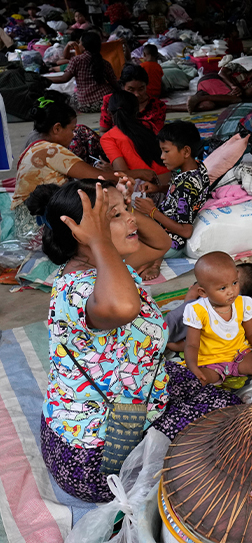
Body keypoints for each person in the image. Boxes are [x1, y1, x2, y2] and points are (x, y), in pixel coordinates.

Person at [32, 179, 238, 503]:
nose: (130, 218)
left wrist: (123, 207)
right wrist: (101, 240)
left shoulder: (104, 265)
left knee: (200, 385)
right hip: (98, 461)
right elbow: (125, 308)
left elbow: (160, 244)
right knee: (229, 420)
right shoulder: (79, 290)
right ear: (83, 236)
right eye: (114, 216)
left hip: (123, 406)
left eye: (126, 209)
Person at [12, 97, 119, 247]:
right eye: (72, 129)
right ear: (56, 128)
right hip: (39, 227)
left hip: (25, 224)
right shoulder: (52, 150)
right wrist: (137, 174)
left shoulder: (35, 142)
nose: (74, 135)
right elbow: (98, 177)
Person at [183, 252, 252, 386]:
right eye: (223, 288)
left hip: (240, 355)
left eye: (235, 283)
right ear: (203, 292)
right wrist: (193, 368)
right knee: (196, 381)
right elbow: (191, 345)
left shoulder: (243, 303)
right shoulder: (196, 310)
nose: (231, 291)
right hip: (210, 361)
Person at [134, 121, 209, 266]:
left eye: (166, 151)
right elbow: (180, 193)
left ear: (186, 152)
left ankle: (154, 261)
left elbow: (186, 231)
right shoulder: (197, 167)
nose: (162, 156)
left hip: (170, 242)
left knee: (125, 247)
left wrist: (152, 212)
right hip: (164, 231)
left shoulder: (186, 187)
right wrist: (159, 189)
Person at [100, 90, 169, 185]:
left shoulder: (108, 138)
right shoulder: (149, 125)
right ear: (137, 110)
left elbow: (123, 175)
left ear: (108, 112)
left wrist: (111, 171)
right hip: (169, 182)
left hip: (147, 188)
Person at [47, 31, 118, 113]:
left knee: (72, 97)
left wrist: (43, 79)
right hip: (105, 103)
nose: (79, 44)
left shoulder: (76, 60)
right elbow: (114, 83)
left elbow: (64, 78)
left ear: (84, 47)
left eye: (80, 42)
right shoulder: (104, 62)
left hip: (85, 106)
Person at [100, 64, 167, 134]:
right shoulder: (111, 101)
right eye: (131, 89)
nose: (136, 94)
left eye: (141, 89)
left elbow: (158, 136)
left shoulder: (158, 106)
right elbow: (103, 131)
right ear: (122, 87)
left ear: (146, 86)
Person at [184, 63, 252, 113]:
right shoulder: (239, 67)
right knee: (236, 99)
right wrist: (232, 85)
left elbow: (248, 95)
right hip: (213, 80)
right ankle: (200, 98)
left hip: (214, 88)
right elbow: (221, 73)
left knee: (208, 105)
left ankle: (170, 107)